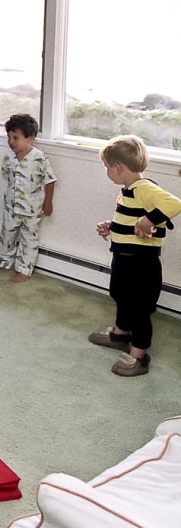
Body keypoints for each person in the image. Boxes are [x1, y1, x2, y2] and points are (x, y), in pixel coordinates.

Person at [88, 135, 181, 377]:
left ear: (117, 167)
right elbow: (131, 220)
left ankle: (139, 356)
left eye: (107, 166)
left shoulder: (145, 188)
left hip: (141, 262)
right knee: (120, 295)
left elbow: (175, 204)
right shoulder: (129, 190)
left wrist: (147, 220)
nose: (106, 171)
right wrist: (112, 226)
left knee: (139, 307)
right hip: (124, 256)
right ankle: (120, 334)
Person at [0, 114, 57, 283]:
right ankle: (6, 260)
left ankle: (24, 269)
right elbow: (6, 176)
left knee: (28, 239)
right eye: (9, 137)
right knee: (7, 234)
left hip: (32, 209)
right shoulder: (9, 157)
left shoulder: (39, 158)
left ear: (30, 138)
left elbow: (50, 179)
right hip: (11, 205)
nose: (11, 141)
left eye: (16, 137)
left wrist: (48, 202)